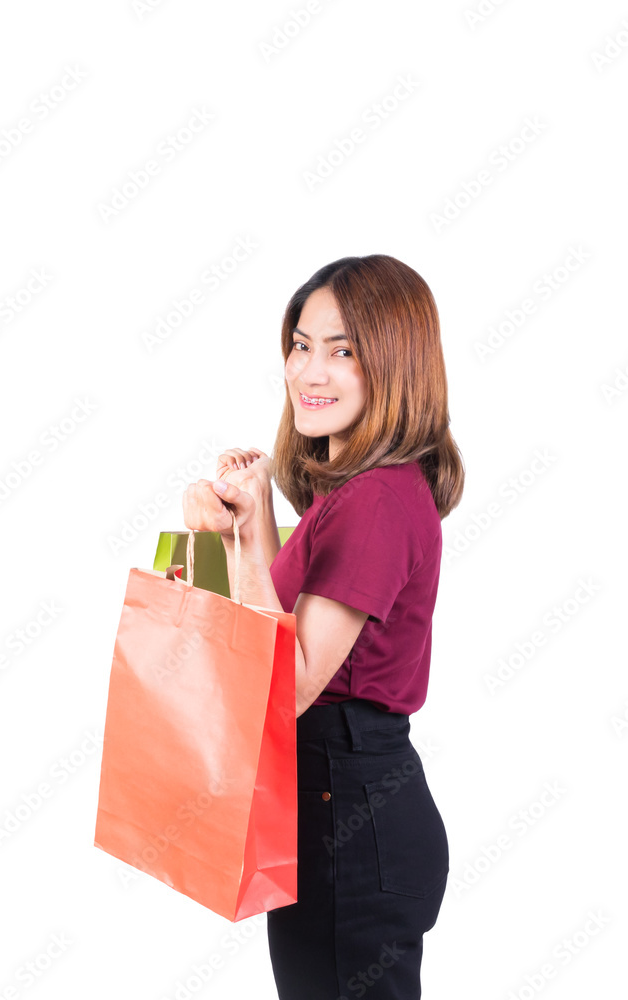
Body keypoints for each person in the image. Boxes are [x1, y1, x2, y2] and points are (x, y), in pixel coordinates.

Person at [182, 254, 465, 1000]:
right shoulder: (349, 498)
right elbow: (273, 623)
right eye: (300, 344)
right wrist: (234, 527)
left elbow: (286, 682)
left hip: (351, 814)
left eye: (342, 351)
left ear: (395, 364)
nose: (310, 369)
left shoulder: (375, 501)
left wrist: (232, 542)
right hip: (338, 808)